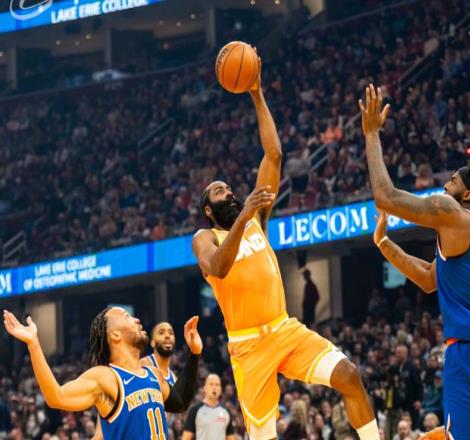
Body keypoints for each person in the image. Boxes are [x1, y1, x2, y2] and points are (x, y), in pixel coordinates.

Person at [193, 55, 380, 440]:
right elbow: (218, 267)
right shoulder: (205, 237)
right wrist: (244, 216)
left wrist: (257, 94)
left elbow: (274, 155)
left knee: (349, 375)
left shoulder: (256, 219)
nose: (229, 191)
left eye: (228, 187)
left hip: (284, 329)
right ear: (209, 210)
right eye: (219, 192)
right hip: (248, 347)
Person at [359, 84, 470, 440]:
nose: (444, 186)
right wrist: (384, 243)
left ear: (467, 194)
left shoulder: (451, 212)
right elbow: (427, 277)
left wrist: (372, 135)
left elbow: (385, 197)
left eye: (452, 181)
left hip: (468, 351)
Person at [2, 308, 202, 439]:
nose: (136, 319)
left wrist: (195, 353)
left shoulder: (154, 374)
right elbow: (57, 397)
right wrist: (34, 344)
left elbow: (181, 401)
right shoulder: (106, 377)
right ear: (115, 335)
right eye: (127, 316)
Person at [182, 374, 235, 440]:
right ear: (205, 388)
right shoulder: (195, 410)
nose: (214, 387)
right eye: (211, 384)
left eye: (217, 385)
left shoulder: (226, 412)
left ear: (220, 389)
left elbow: (231, 438)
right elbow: (186, 437)